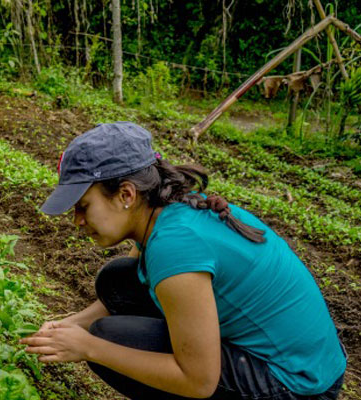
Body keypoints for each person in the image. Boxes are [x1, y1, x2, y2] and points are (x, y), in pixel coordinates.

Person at [21, 122, 346, 399]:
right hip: (305, 360)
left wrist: (89, 346)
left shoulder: (175, 246)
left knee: (109, 339)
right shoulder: (169, 213)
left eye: (83, 205)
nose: (76, 220)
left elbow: (200, 381)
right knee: (118, 280)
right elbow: (129, 288)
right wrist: (73, 325)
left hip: (298, 383)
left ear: (126, 194)